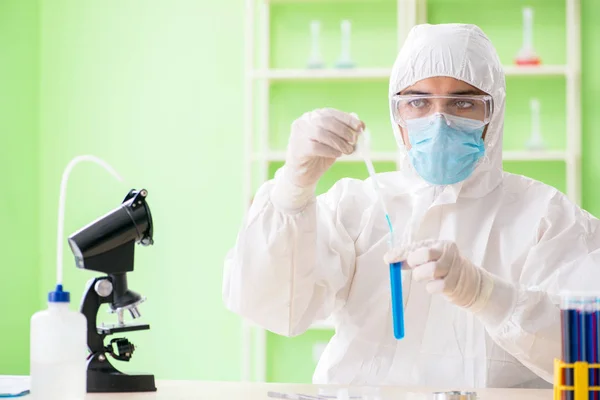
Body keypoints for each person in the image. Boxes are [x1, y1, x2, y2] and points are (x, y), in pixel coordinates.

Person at [222, 23, 600, 388]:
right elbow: (271, 306)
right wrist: (292, 188)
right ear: (397, 114)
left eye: (463, 102)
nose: (439, 121)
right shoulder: (360, 204)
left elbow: (589, 356)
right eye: (418, 101)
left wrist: (486, 295)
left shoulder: (548, 217)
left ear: (493, 112)